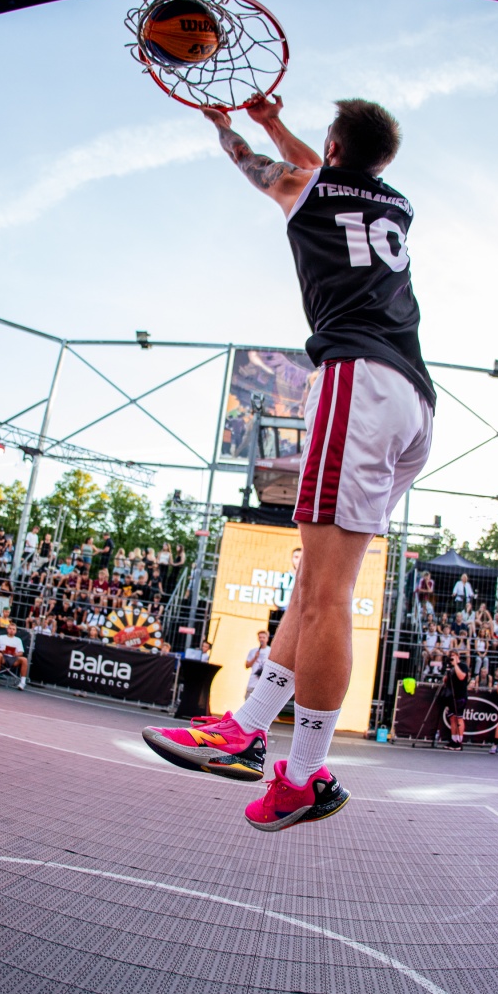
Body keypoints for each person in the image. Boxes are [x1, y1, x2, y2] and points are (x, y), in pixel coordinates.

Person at [143, 95, 433, 831]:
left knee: (326, 596)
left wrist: (230, 130)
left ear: (331, 147)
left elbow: (265, 167)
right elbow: (318, 168)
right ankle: (246, 729)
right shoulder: (394, 203)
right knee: (313, 581)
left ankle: (303, 776)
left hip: (357, 383)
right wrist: (275, 124)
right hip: (413, 400)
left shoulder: (307, 184)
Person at [442, 648, 469, 749]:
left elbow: (462, 677)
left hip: (460, 696)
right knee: (452, 718)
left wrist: (455, 665)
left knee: (459, 718)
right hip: (451, 695)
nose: (451, 657)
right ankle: (453, 740)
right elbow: (446, 681)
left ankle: (459, 741)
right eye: (450, 656)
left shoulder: (462, 666)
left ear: (458, 656)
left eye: (453, 655)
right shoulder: (450, 667)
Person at [0, 623, 28, 689]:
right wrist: (0, 650)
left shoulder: (18, 640)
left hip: (13, 658)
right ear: (7, 629)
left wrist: (16, 654)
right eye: (10, 628)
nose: (11, 630)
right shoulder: (1, 637)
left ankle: (22, 682)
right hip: (3, 657)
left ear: (16, 631)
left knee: (24, 660)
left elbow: (21, 652)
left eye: (13, 629)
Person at [244, 630, 270, 697]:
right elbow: (247, 666)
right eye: (260, 637)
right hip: (252, 682)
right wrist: (255, 658)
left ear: (267, 639)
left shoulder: (270, 651)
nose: (262, 639)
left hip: (264, 683)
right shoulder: (253, 651)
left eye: (263, 637)